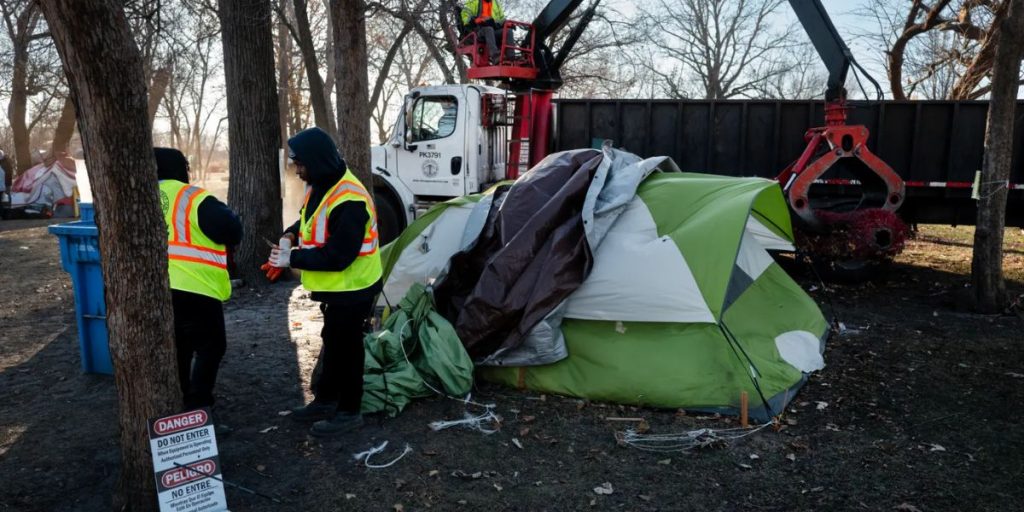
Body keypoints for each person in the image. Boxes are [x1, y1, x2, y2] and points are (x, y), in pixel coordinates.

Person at [264, 127, 383, 437]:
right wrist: (290, 234)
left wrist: (293, 260)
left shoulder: (350, 200)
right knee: (333, 340)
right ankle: (327, 400)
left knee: (348, 348)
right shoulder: (321, 184)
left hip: (354, 286)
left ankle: (349, 411)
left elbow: (339, 256)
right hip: (337, 287)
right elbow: (307, 219)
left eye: (301, 165)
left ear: (315, 162)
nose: (298, 171)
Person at [155, 148, 242, 419]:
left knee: (178, 347)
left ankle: (179, 402)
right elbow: (232, 230)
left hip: (158, 288)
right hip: (195, 286)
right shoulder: (192, 197)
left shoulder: (140, 195)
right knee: (211, 347)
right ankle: (198, 408)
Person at [461, 0, 514, 65]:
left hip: (493, 29)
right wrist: (475, 20)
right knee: (489, 29)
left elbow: (502, 18)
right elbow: (465, 14)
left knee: (508, 31)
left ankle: (511, 58)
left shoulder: (496, 3)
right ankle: (496, 57)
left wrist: (507, 23)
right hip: (478, 30)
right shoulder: (473, 1)